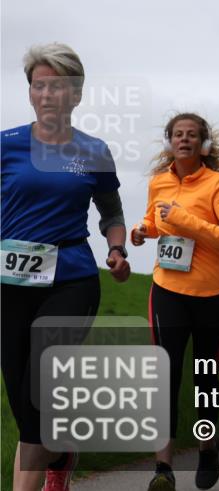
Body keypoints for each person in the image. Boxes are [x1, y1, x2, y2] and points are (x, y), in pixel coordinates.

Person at [1, 43, 131, 491]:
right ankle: (60, 450)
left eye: (58, 86)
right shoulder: (7, 145)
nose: (48, 94)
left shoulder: (93, 151)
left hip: (70, 278)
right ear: (31, 93)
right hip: (9, 283)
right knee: (23, 400)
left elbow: (111, 213)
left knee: (40, 382)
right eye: (40, 85)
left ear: (76, 94)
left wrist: (117, 250)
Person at [131, 113, 219, 491]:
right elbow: (156, 220)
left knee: (204, 376)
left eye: (192, 135)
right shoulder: (159, 182)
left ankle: (208, 447)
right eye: (177, 134)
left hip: (213, 294)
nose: (184, 140)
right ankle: (162, 468)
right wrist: (142, 230)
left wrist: (185, 221)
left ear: (204, 145)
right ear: (169, 142)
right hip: (167, 289)